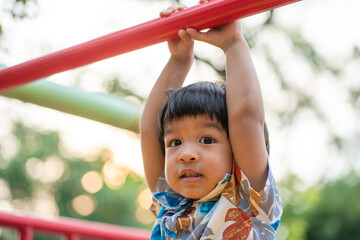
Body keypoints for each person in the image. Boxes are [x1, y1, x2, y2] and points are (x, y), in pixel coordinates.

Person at [140, 4, 282, 239]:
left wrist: (233, 43)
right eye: (175, 142)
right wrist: (178, 59)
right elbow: (149, 130)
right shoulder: (172, 203)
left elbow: (245, 119)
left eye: (207, 139)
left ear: (237, 151)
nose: (186, 154)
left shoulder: (246, 202)